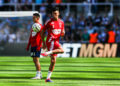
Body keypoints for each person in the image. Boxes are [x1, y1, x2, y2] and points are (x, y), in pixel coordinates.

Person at [41, 7, 65, 82]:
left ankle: (48, 78)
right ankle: (47, 52)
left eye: (56, 13)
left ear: (58, 14)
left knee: (53, 61)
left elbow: (62, 33)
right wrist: (44, 43)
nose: (55, 15)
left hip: (56, 41)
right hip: (50, 41)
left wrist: (63, 33)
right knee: (62, 50)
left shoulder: (61, 22)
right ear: (51, 14)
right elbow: (42, 32)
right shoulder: (49, 22)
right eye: (53, 14)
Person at [26, 13, 43, 79]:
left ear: (38, 18)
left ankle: (38, 75)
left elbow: (42, 37)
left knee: (36, 60)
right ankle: (40, 74)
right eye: (33, 17)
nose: (33, 19)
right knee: (34, 60)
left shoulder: (40, 26)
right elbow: (31, 36)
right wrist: (28, 45)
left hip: (37, 45)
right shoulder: (33, 26)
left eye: (34, 17)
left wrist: (39, 46)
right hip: (33, 46)